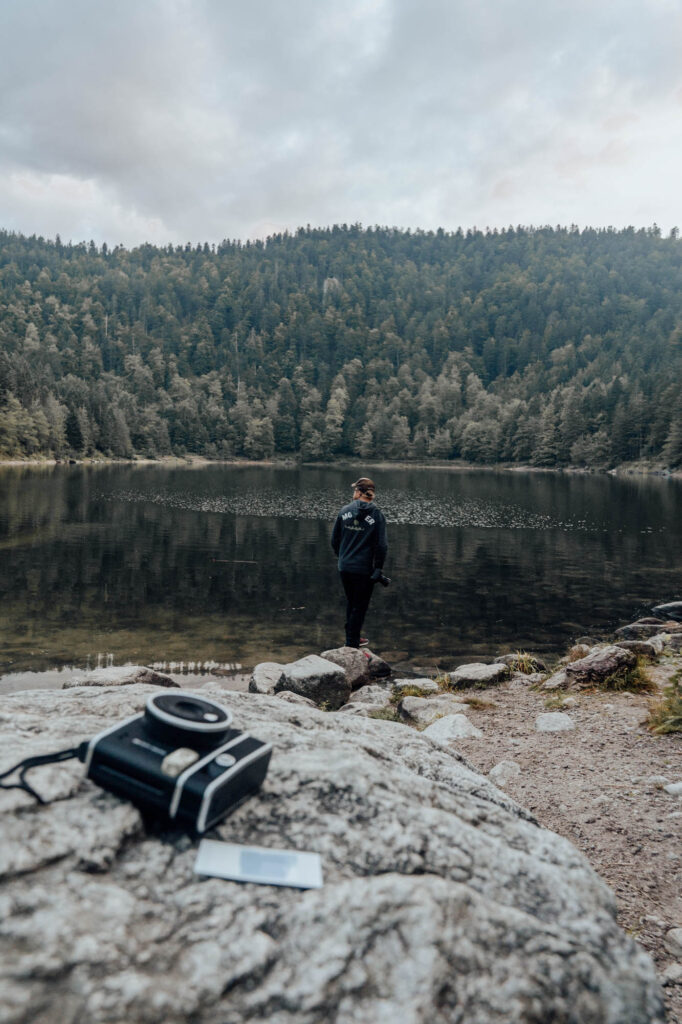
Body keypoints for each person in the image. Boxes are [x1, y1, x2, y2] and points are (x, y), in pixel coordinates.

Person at [331, 476, 388, 649]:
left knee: (352, 603)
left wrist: (342, 557)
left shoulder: (344, 511)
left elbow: (335, 540)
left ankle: (352, 637)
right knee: (359, 606)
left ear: (359, 492)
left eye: (355, 489)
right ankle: (352, 643)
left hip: (345, 566)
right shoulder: (376, 515)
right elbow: (381, 545)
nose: (353, 492)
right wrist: (378, 568)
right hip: (363, 569)